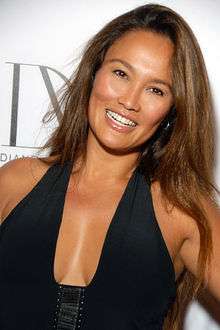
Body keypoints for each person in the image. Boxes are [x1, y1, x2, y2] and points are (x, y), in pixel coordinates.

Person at [0, 3, 219, 330]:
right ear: (94, 73)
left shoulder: (181, 211)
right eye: (120, 73)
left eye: (156, 89)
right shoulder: (15, 182)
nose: (130, 101)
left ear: (173, 111)